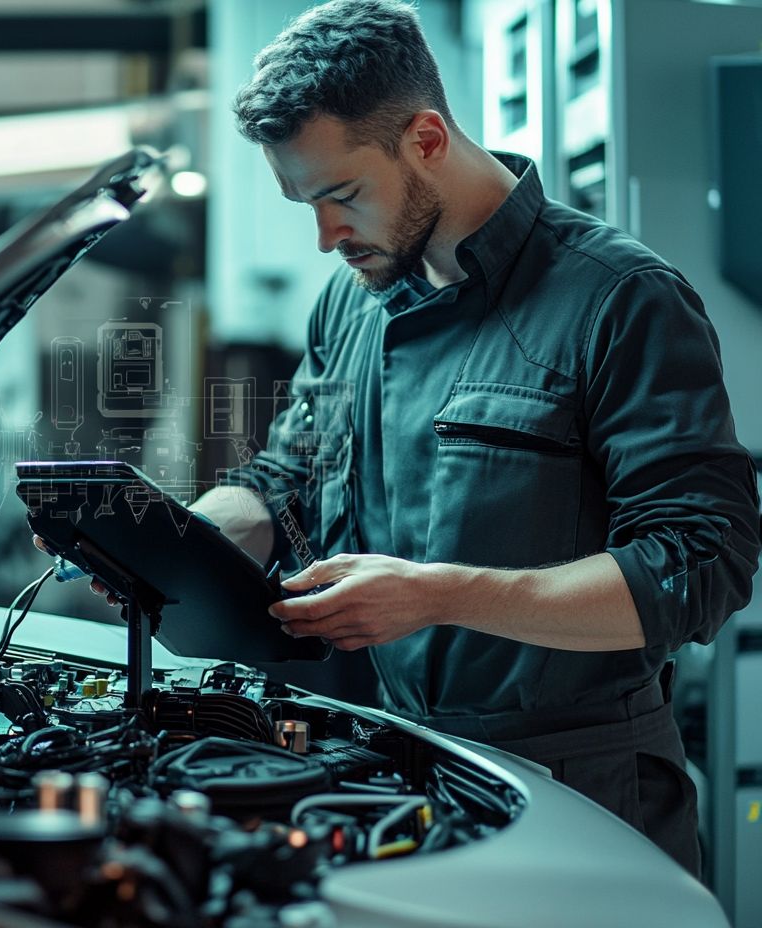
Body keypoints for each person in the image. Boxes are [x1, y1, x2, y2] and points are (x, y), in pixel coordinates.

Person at [177, 0, 760, 877]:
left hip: (585, 792)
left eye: (342, 196)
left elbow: (699, 563)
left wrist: (440, 595)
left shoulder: (619, 298)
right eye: (306, 203)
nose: (327, 236)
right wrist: (182, 539)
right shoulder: (353, 302)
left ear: (425, 140)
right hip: (403, 768)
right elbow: (288, 474)